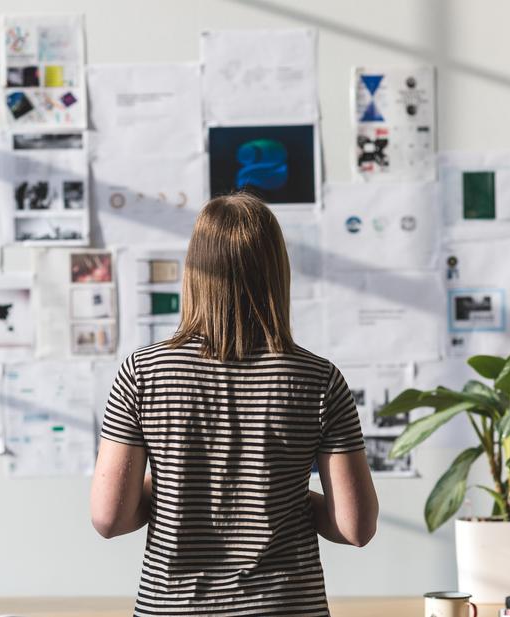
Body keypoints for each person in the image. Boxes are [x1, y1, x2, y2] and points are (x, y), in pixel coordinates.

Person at [91, 193, 379, 616]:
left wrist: (174, 489)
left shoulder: (142, 373)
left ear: (194, 271)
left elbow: (109, 518)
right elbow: (355, 527)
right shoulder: (319, 379)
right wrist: (282, 496)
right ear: (277, 271)